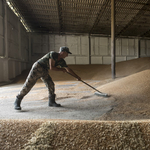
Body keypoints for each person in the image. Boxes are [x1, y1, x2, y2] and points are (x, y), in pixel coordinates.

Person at [14, 46, 81, 110]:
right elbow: (51, 67)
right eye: (67, 53)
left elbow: (68, 69)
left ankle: (51, 102)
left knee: (50, 84)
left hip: (44, 70)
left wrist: (77, 77)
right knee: (28, 85)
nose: (67, 55)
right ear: (62, 52)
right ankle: (17, 101)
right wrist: (61, 69)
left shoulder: (61, 61)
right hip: (37, 68)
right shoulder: (53, 54)